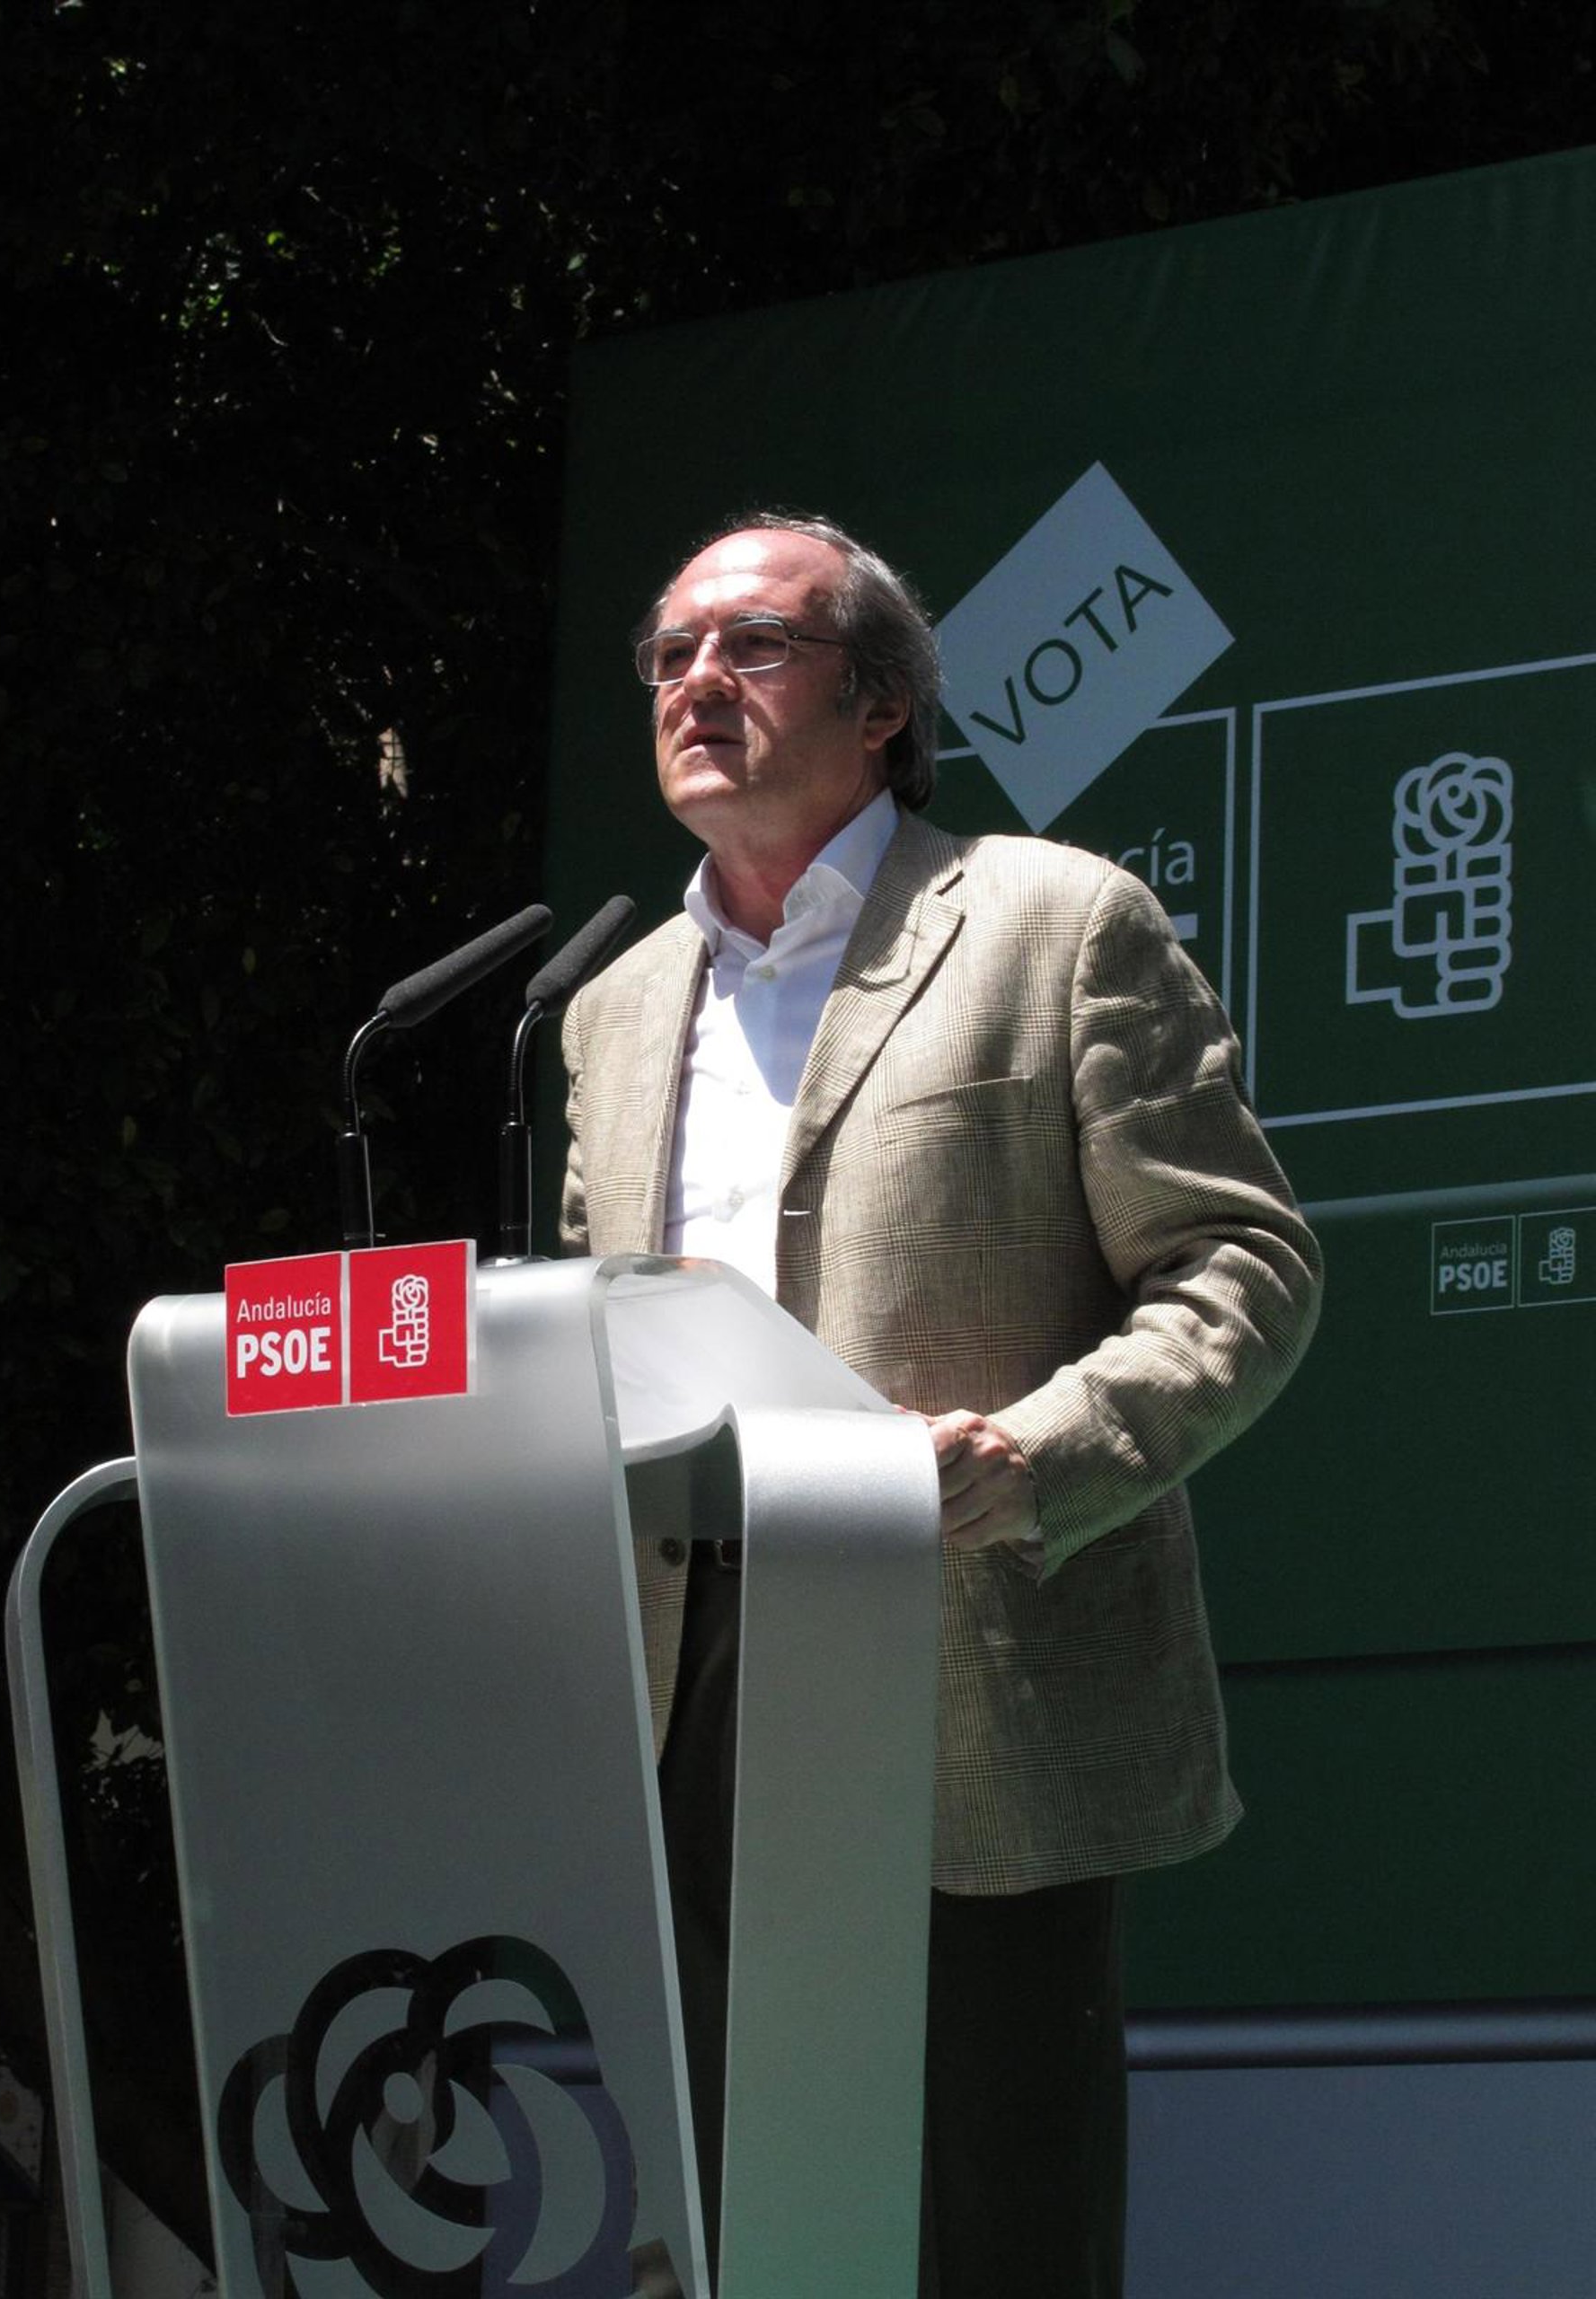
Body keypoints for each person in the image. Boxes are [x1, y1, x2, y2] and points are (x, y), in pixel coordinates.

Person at [560, 512, 1322, 2297]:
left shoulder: (1052, 921)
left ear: (882, 701)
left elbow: (1242, 1264)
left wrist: (1040, 1456)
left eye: (752, 645)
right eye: (670, 654)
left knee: (995, 2222)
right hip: (691, 1677)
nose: (696, 683)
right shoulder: (605, 1009)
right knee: (745, 2217)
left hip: (970, 1642)